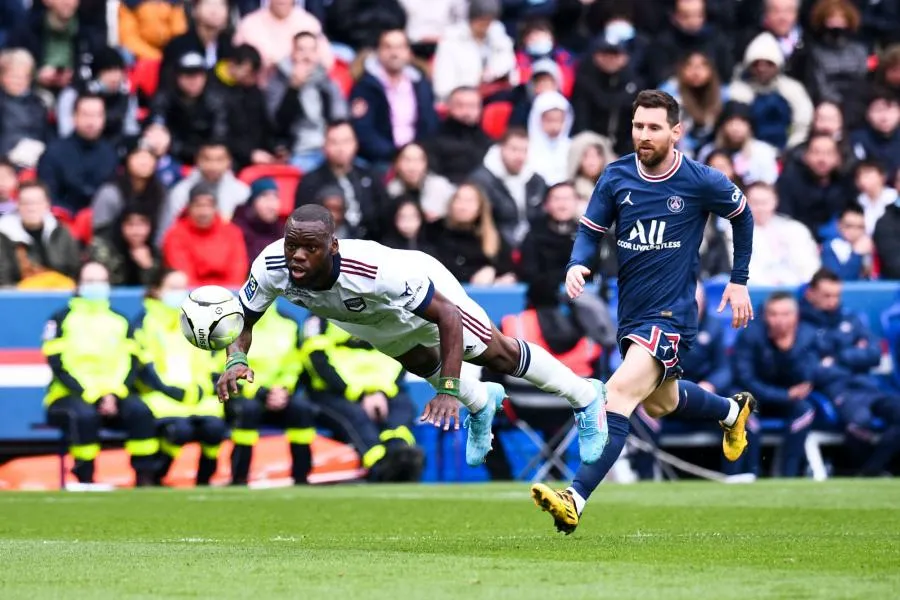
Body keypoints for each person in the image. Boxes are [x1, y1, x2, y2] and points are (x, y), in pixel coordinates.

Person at [215, 203, 608, 477]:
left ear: (332, 247)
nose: (297, 256)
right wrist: (235, 359)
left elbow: (447, 317)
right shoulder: (271, 265)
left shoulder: (373, 270)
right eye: (291, 245)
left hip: (424, 292)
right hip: (367, 320)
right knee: (420, 362)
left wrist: (449, 389)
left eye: (310, 248)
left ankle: (585, 397)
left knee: (498, 354)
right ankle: (482, 402)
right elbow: (242, 318)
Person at [531, 89, 755, 535]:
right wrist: (578, 262)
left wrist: (739, 278)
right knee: (663, 402)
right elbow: (590, 230)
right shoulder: (615, 177)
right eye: (638, 126)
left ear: (676, 131)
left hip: (671, 314)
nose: (644, 135)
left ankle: (574, 497)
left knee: (615, 397)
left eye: (654, 127)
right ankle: (731, 413)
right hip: (631, 315)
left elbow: (743, 214)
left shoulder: (700, 180)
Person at [42, 261, 159, 486]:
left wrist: (114, 393)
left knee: (141, 411)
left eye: (101, 281)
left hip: (114, 392)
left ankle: (146, 478)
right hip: (69, 394)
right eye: (90, 280)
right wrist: (93, 393)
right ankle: (85, 477)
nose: (96, 285)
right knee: (84, 415)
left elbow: (131, 362)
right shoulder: (60, 319)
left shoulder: (120, 320)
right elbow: (58, 365)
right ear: (78, 284)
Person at [132, 269, 228, 485]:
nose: (181, 293)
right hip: (162, 398)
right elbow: (144, 365)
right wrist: (172, 391)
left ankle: (206, 478)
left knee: (214, 429)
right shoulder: (145, 322)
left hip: (198, 397)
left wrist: (201, 389)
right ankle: (157, 474)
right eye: (173, 288)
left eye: (183, 288)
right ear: (157, 291)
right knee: (180, 431)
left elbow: (210, 362)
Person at [802, 269, 900, 476]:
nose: (832, 301)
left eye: (836, 295)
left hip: (868, 386)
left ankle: (871, 471)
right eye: (826, 295)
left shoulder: (851, 318)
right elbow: (813, 370)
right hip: (836, 391)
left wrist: (837, 358)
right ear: (811, 294)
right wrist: (856, 353)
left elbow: (874, 354)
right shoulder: (802, 325)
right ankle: (864, 471)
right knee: (859, 422)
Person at [299, 319, 425, 481]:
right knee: (356, 416)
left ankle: (400, 457)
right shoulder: (321, 314)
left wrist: (381, 391)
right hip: (334, 391)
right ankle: (379, 467)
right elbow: (315, 357)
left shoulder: (385, 310)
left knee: (402, 408)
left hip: (384, 389)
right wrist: (358, 393)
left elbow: (401, 352)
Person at [733, 292, 819, 477]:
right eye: (774, 314)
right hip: (757, 397)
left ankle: (789, 475)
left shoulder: (808, 335)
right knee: (744, 408)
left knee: (805, 410)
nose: (779, 320)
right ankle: (750, 473)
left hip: (790, 400)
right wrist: (784, 395)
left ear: (796, 316)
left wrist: (789, 352)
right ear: (765, 316)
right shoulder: (750, 334)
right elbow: (745, 378)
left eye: (785, 314)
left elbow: (809, 376)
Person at [225, 305, 314, 486]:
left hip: (277, 394)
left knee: (301, 409)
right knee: (248, 410)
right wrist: (258, 391)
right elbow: (224, 367)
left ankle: (302, 478)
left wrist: (283, 389)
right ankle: (239, 478)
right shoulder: (231, 325)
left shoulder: (287, 323)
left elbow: (293, 364)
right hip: (243, 394)